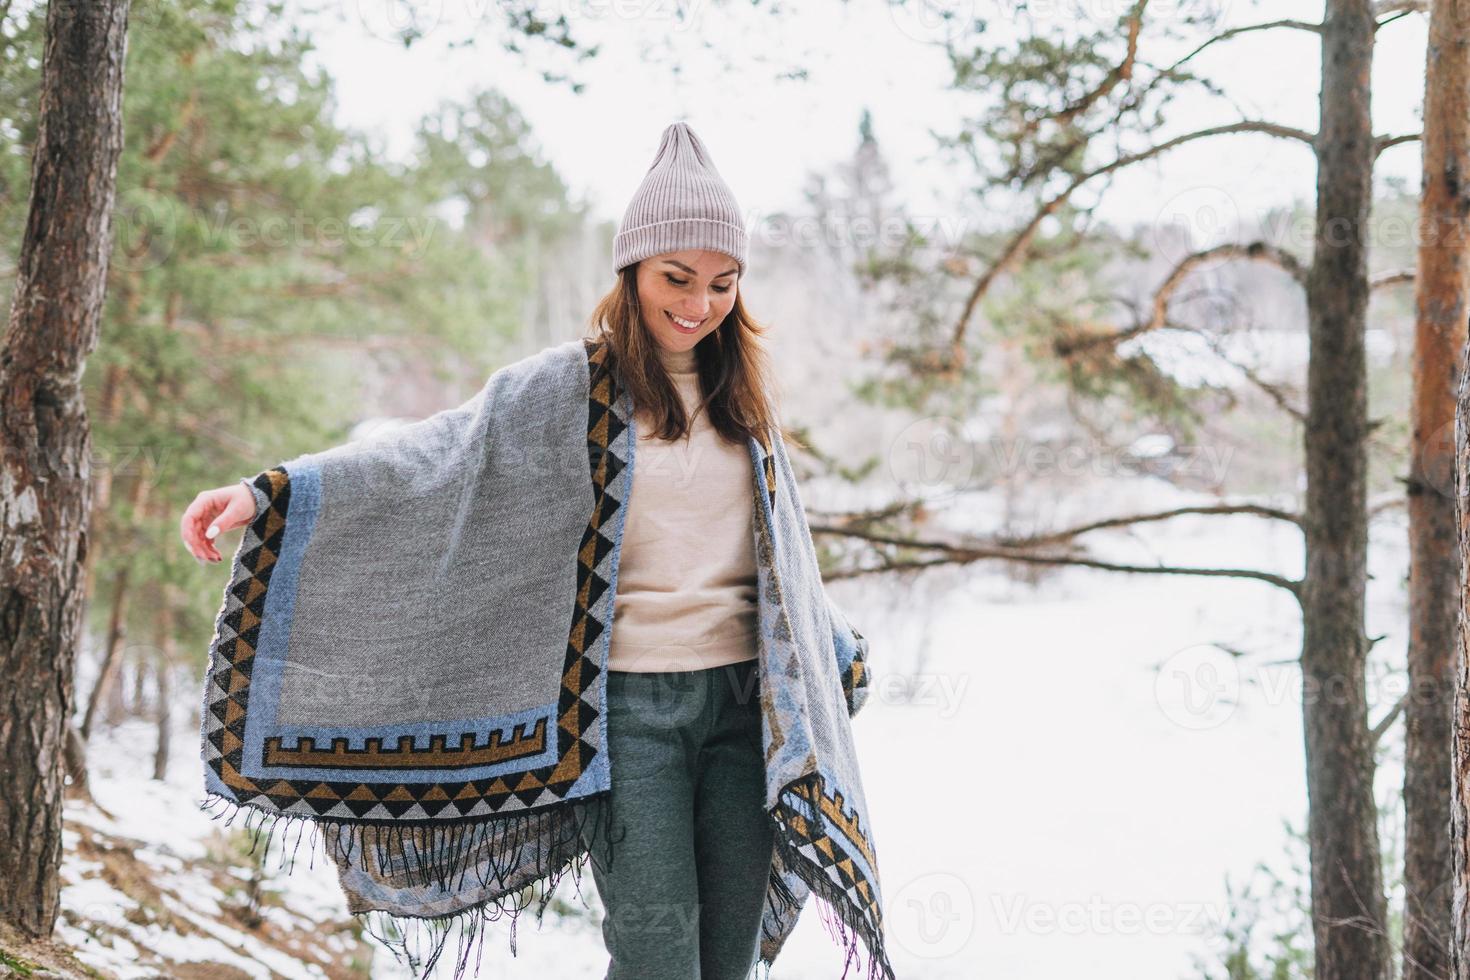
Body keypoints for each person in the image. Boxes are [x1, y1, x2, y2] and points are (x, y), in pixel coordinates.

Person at [180, 121, 843, 980]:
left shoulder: (745, 404)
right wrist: (274, 492)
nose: (698, 302)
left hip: (745, 709)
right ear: (632, 271)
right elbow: (429, 454)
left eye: (722, 283)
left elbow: (779, 560)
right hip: (627, 717)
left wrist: (830, 649)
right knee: (656, 956)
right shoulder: (568, 387)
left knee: (729, 960)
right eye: (676, 278)